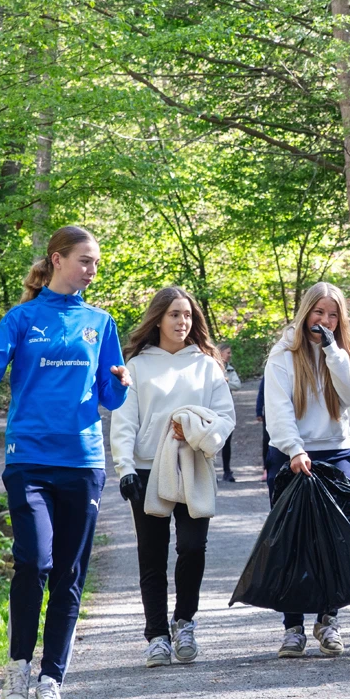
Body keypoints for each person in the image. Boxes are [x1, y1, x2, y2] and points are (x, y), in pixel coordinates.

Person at [0, 226, 132, 699]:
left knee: (69, 572)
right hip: (27, 459)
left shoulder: (100, 322)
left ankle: (52, 678)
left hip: (83, 462)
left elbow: (109, 397)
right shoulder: (22, 318)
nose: (92, 270)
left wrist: (122, 384)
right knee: (34, 562)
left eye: (95, 263)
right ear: (58, 259)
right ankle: (19, 665)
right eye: (85, 260)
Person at [110, 286, 236, 669]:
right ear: (158, 319)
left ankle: (184, 623)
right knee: (152, 556)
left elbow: (225, 417)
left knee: (193, 549)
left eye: (187, 315)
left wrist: (200, 435)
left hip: (193, 466)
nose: (183, 322)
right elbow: (124, 420)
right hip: (148, 469)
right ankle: (157, 636)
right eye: (175, 315)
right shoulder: (137, 366)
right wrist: (125, 468)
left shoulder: (206, 365)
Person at [262, 281, 350, 657]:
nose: (324, 321)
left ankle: (328, 619)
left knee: (333, 539)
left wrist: (333, 352)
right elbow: (277, 412)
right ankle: (292, 626)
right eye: (318, 313)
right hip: (290, 453)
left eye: (333, 315)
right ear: (305, 312)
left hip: (335, 452)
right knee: (292, 542)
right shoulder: (282, 356)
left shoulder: (341, 353)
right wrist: (295, 451)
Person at [215, 342, 240, 483]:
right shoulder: (210, 366)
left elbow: (237, 384)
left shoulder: (230, 370)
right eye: (228, 352)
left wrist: (226, 381)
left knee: (226, 442)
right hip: (211, 410)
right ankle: (211, 472)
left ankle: (227, 471)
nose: (230, 355)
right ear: (221, 352)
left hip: (227, 409)